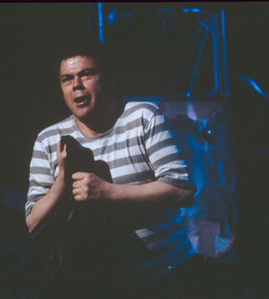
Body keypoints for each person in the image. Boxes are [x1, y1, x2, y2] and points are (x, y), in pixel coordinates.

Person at [25, 39, 208, 298]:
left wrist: (108, 192)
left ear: (108, 81)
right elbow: (33, 223)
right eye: (67, 79)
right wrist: (62, 182)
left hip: (169, 275)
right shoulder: (48, 140)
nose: (76, 85)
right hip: (100, 287)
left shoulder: (143, 117)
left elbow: (182, 191)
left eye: (87, 74)